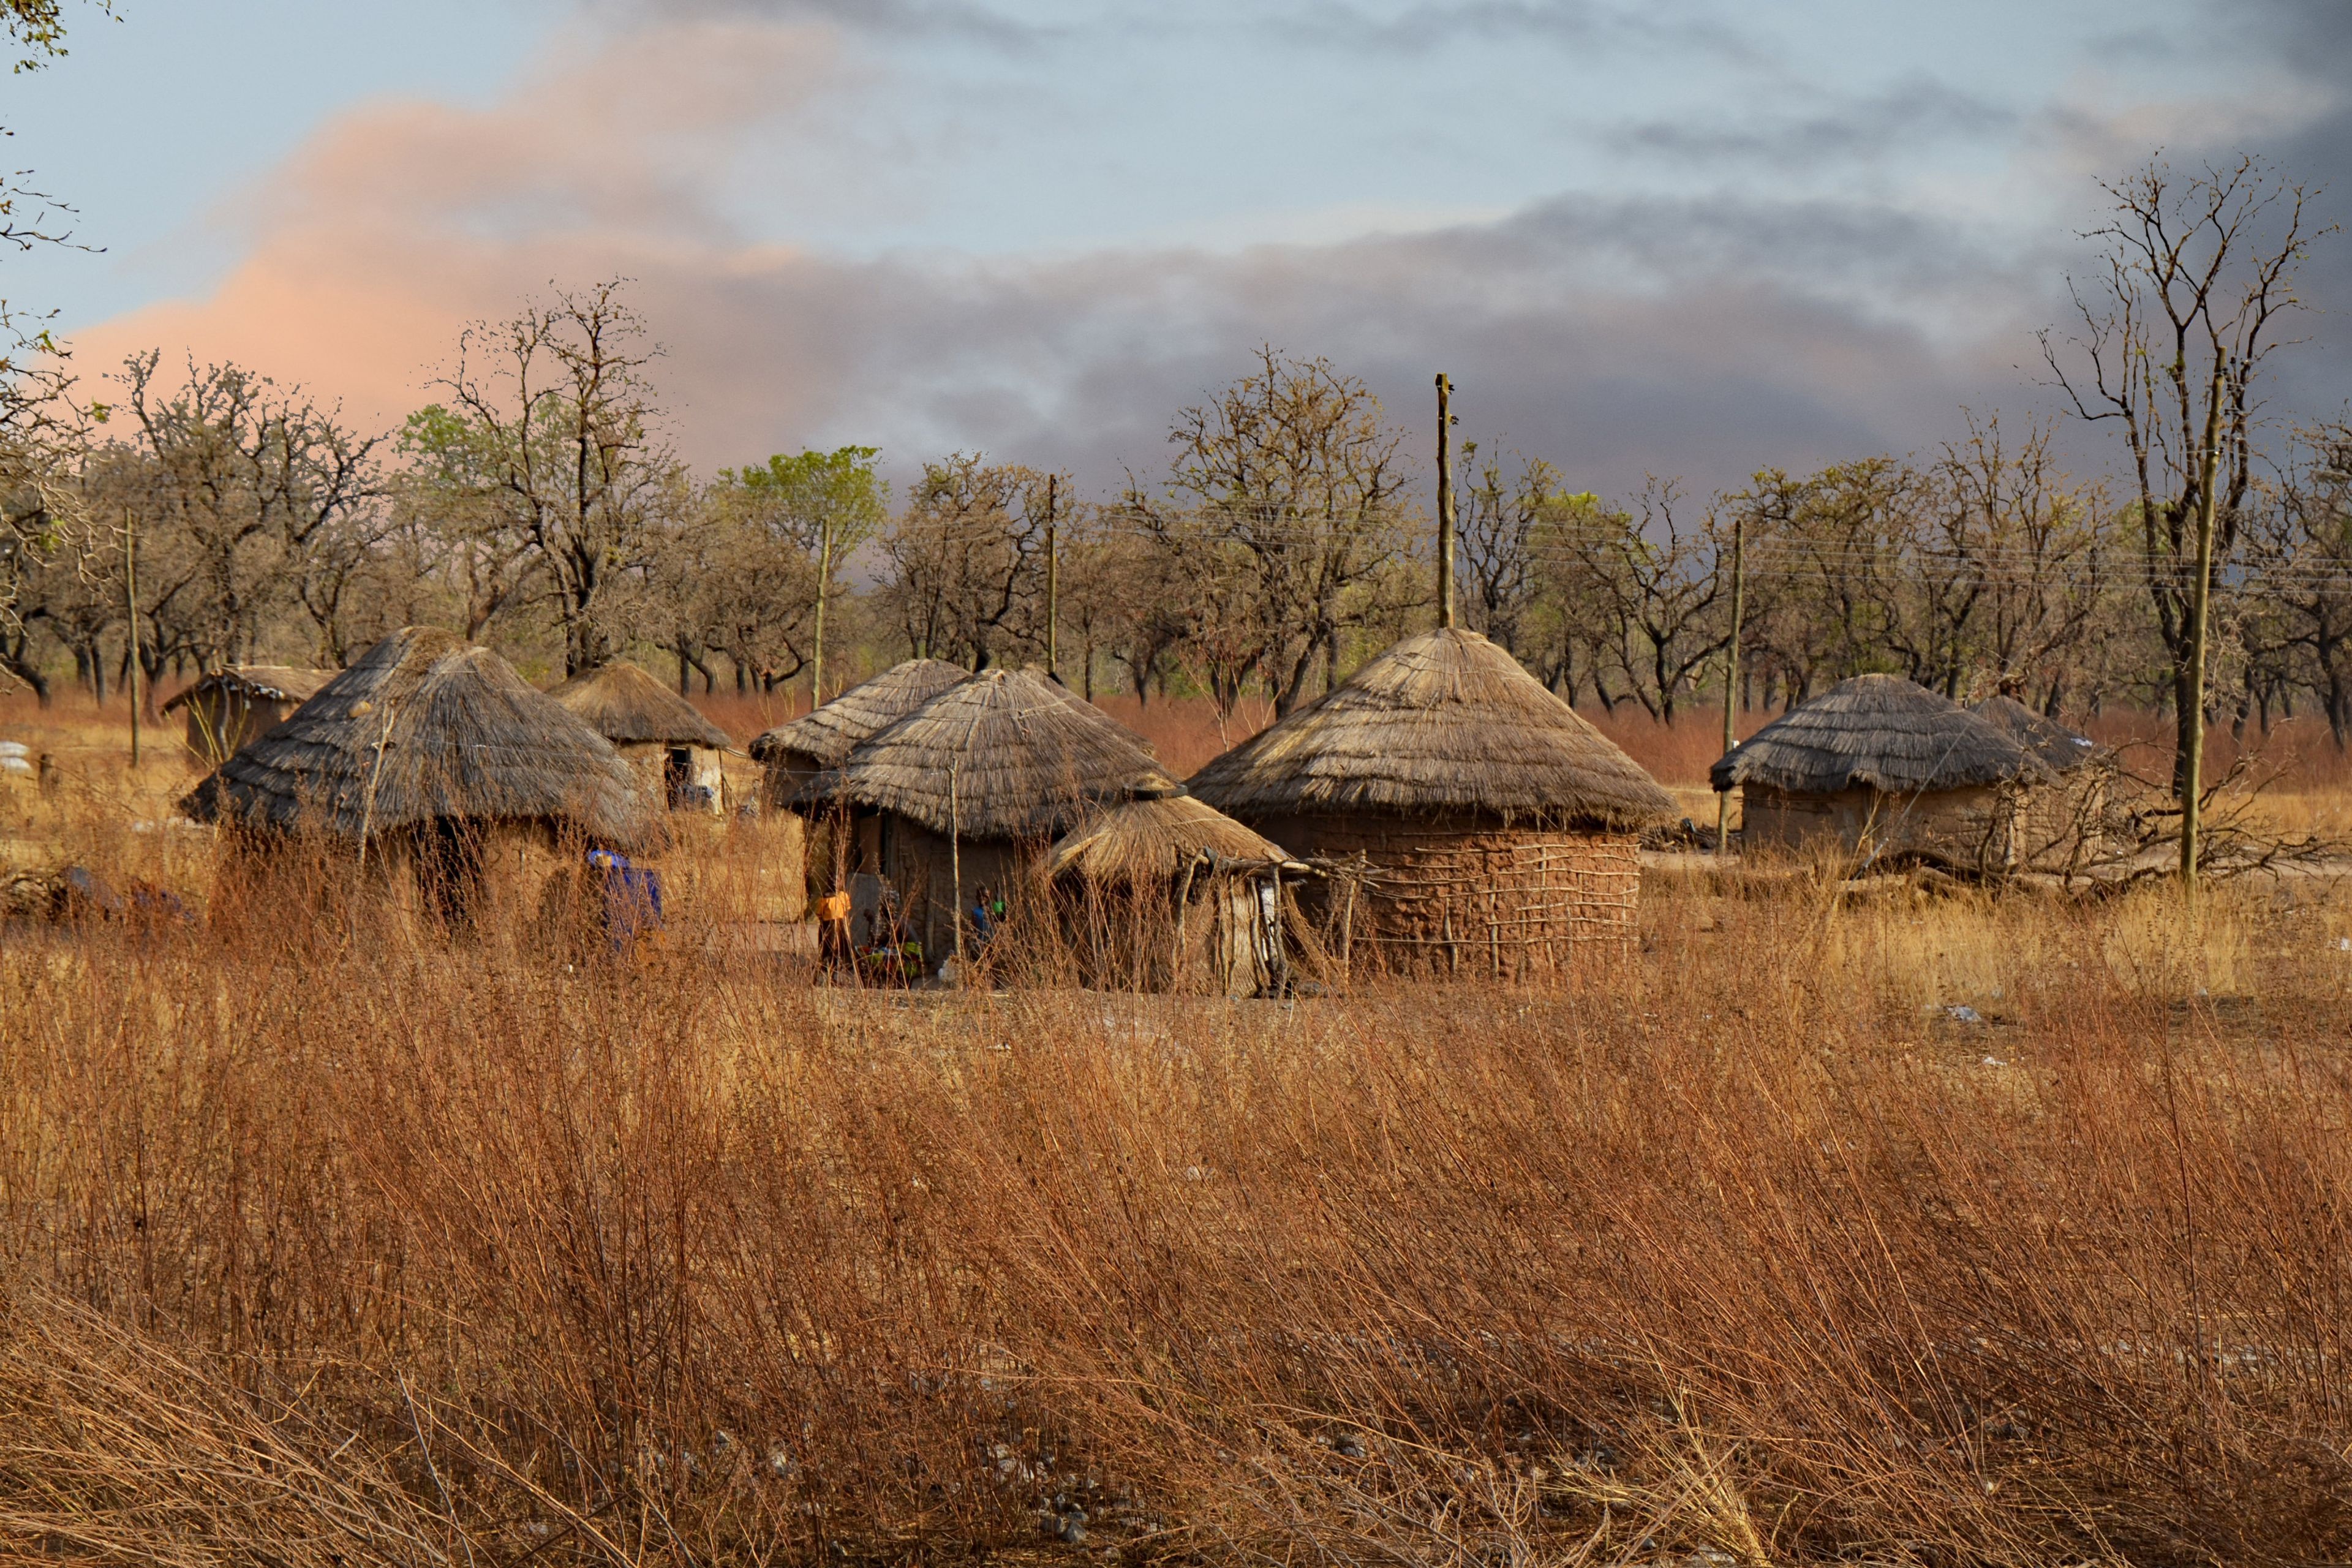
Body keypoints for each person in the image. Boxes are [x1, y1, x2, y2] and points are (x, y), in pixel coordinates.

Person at [816, 885, 853, 970]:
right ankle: (842, 963)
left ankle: (826, 964)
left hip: (828, 925)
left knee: (827, 944)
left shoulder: (826, 897)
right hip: (840, 923)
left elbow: (819, 913)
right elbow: (847, 909)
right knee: (842, 943)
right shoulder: (843, 896)